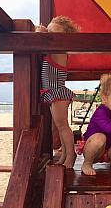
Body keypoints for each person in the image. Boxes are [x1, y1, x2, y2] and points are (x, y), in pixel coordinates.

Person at [35, 16, 80, 169]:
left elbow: (45, 42)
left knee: (63, 126)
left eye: (52, 32)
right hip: (52, 93)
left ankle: (71, 156)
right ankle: (64, 154)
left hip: (58, 93)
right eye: (48, 31)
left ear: (63, 37)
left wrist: (40, 33)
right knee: (59, 127)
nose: (49, 33)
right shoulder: (52, 51)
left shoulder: (59, 50)